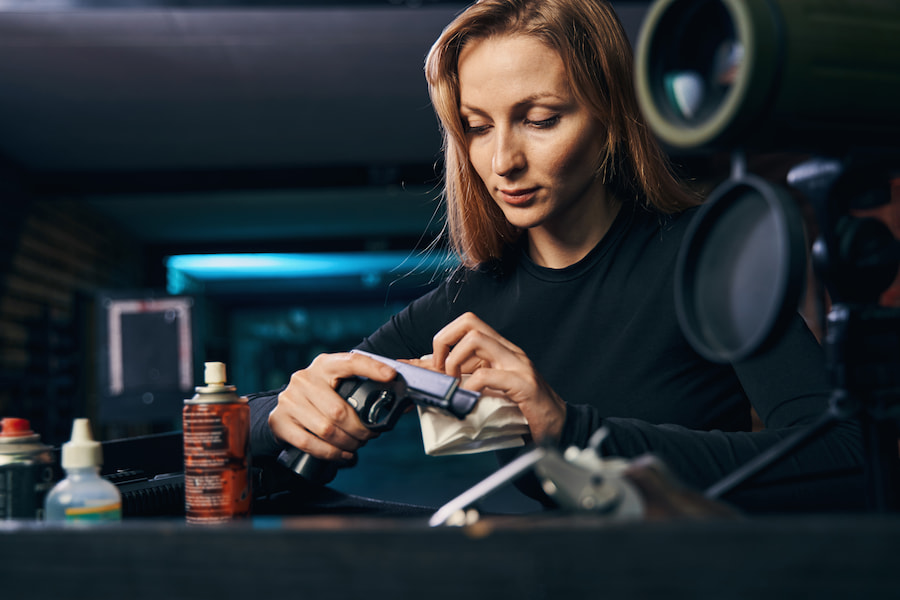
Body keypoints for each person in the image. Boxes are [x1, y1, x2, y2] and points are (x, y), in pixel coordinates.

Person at [249, 0, 865, 513]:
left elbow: (843, 457)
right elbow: (263, 432)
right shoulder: (471, 302)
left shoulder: (706, 260)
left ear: (611, 119)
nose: (502, 162)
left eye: (540, 119)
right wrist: (282, 412)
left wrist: (570, 430)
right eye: (477, 127)